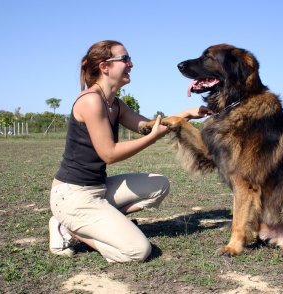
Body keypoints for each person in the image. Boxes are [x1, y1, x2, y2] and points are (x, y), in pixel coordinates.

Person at [49, 40, 212, 263]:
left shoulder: (115, 104)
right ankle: (70, 229)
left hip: (99, 189)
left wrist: (187, 114)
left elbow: (146, 126)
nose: (131, 64)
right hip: (72, 195)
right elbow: (110, 154)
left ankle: (98, 223)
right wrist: (153, 138)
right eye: (125, 59)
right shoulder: (90, 101)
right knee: (137, 251)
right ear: (105, 67)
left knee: (159, 184)